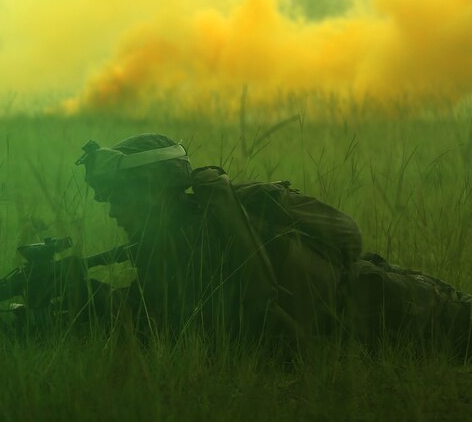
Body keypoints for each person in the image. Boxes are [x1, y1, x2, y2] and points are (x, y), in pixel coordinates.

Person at [75, 133, 472, 359]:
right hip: (393, 300)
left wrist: (85, 300)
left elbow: (163, 321)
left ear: (152, 192)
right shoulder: (181, 236)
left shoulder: (201, 236)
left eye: (118, 198)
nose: (110, 211)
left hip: (402, 308)